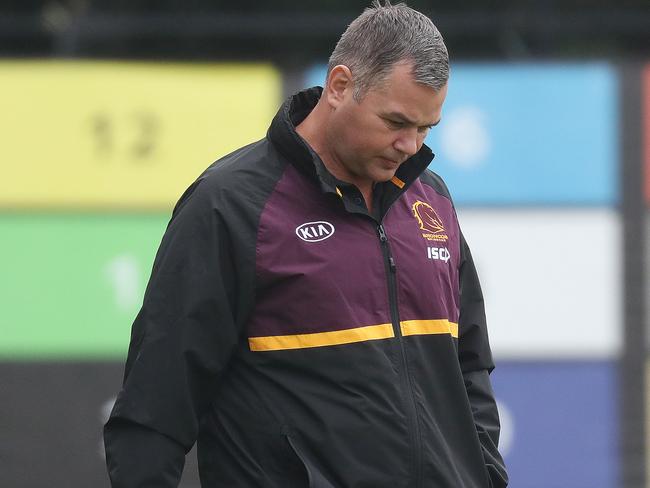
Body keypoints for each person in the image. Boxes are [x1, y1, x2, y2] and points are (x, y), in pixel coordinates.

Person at [104, 2, 508, 487]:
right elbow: (156, 404)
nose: (411, 146)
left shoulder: (433, 199)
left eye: (425, 128)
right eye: (396, 122)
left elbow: (469, 365)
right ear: (340, 86)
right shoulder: (230, 205)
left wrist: (485, 475)